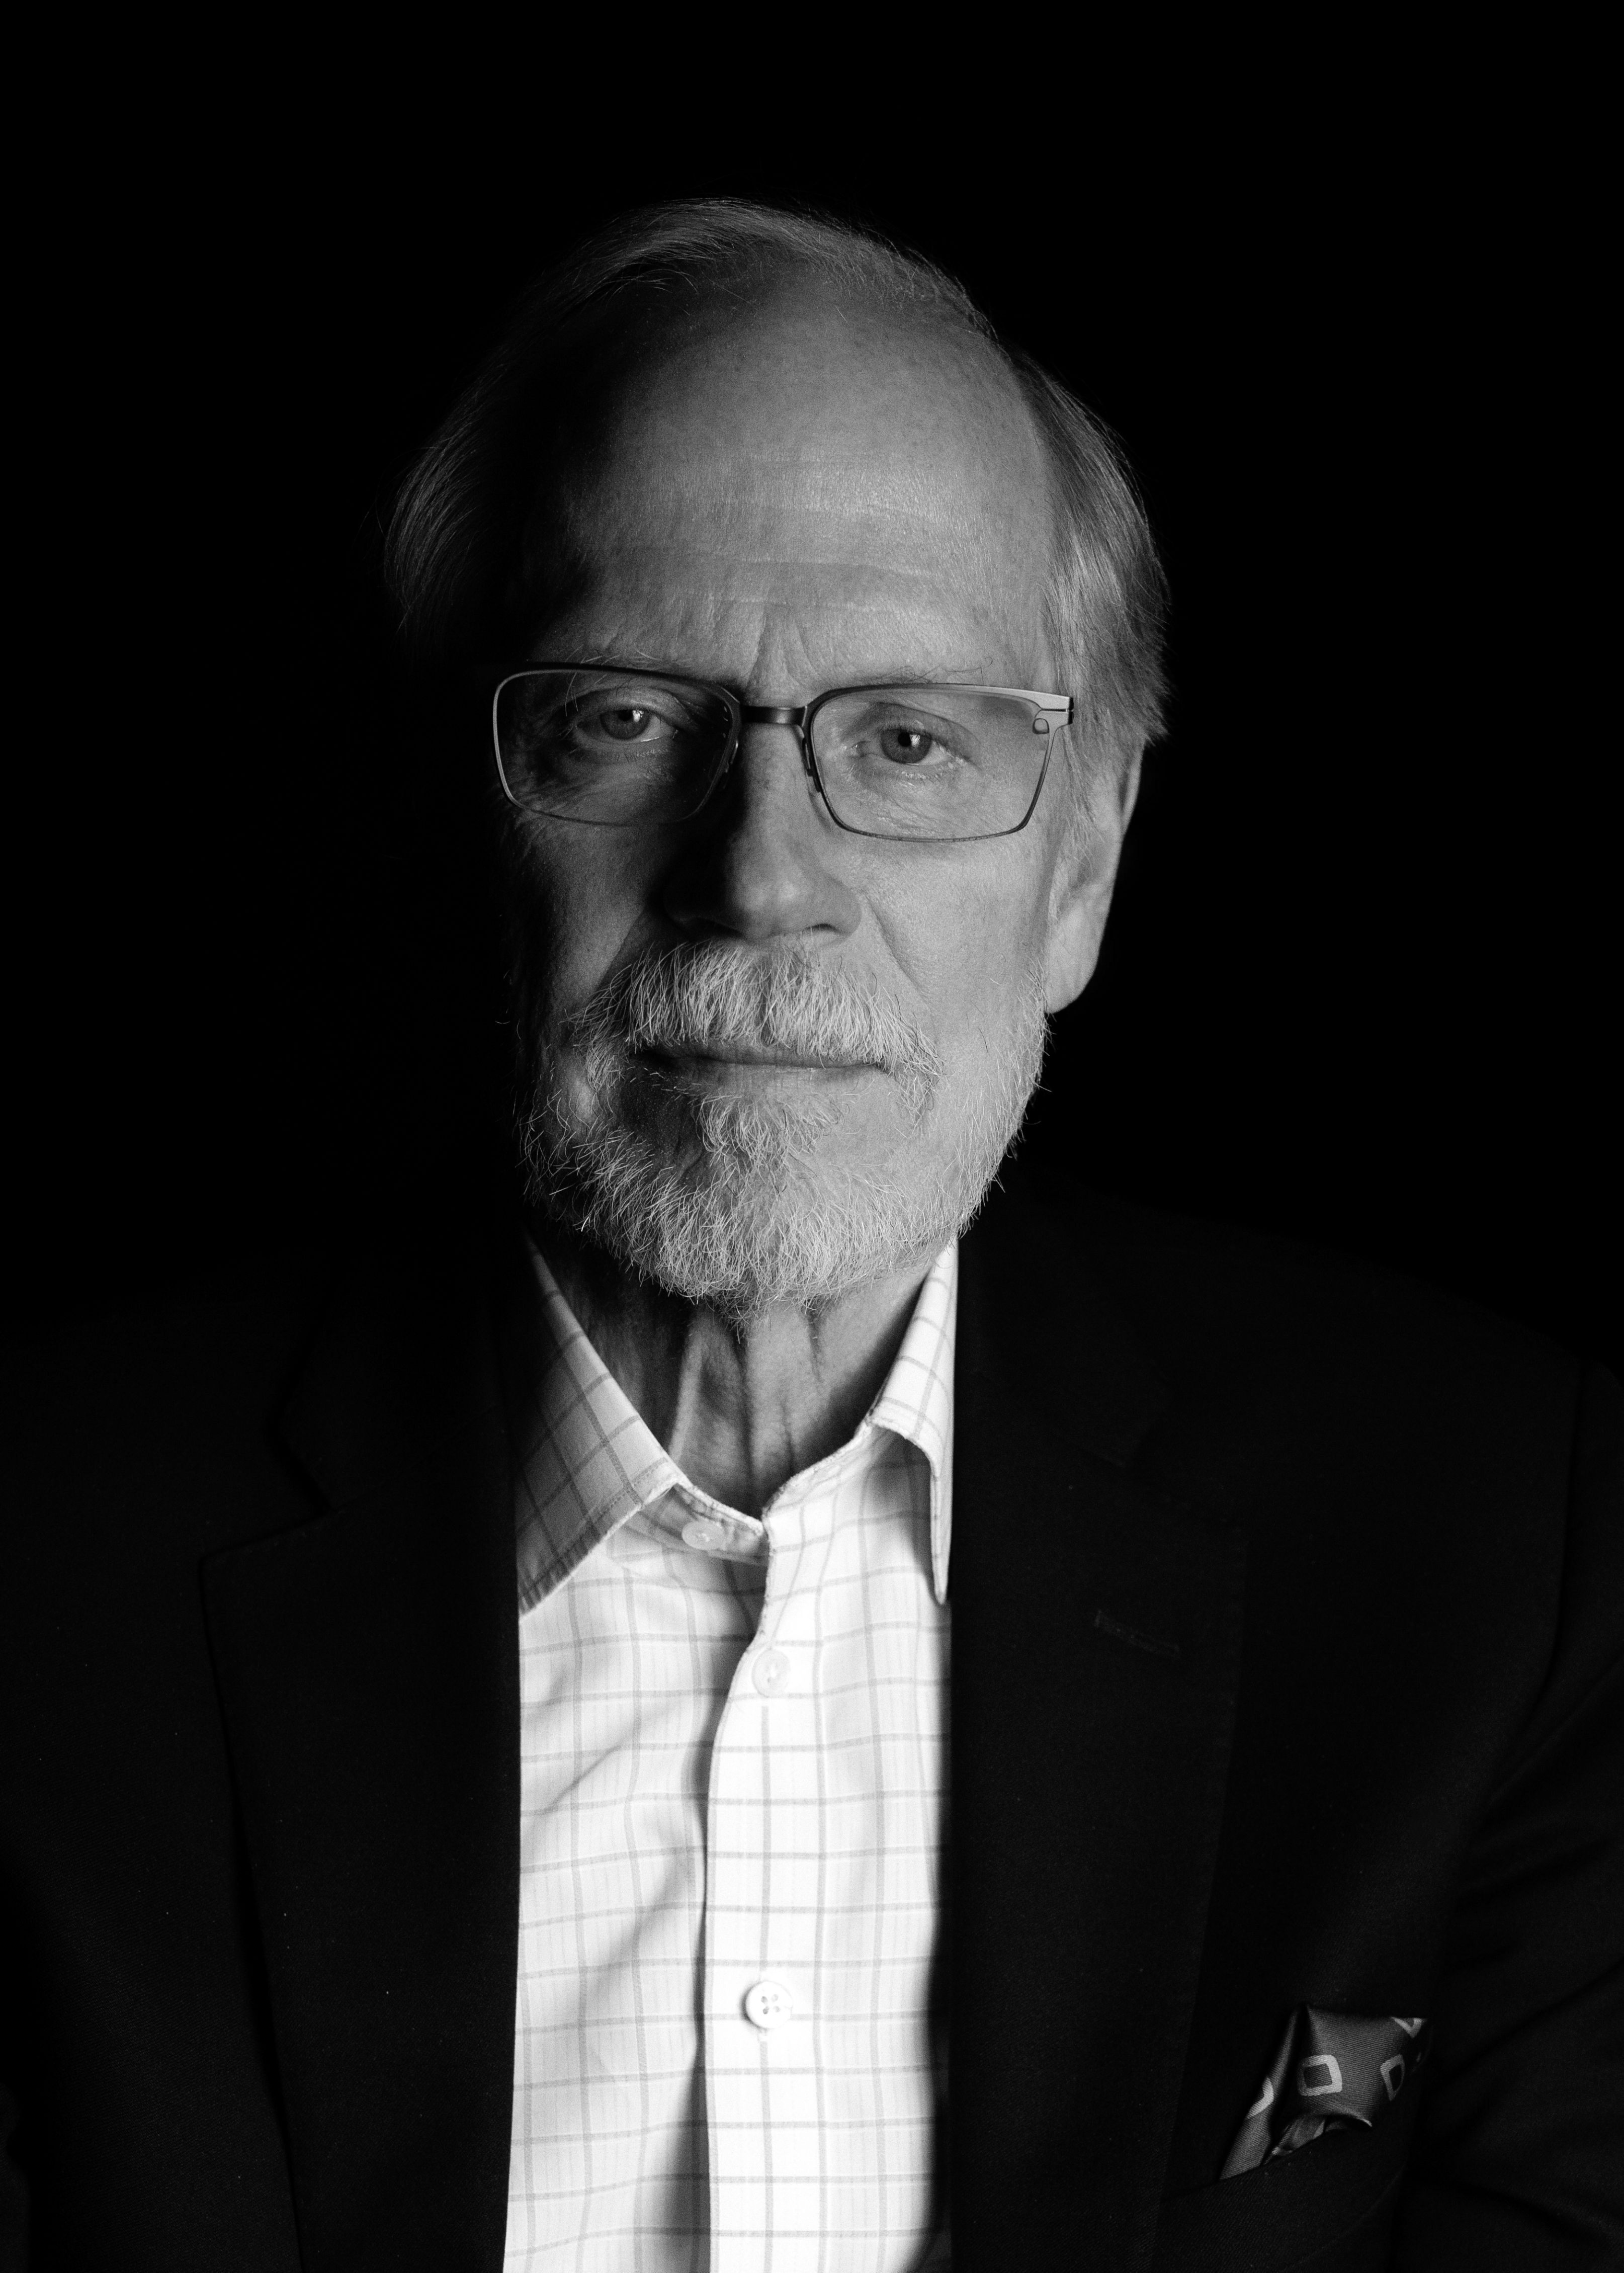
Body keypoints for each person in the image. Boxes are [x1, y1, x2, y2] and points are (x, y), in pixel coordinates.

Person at [2, 199, 1618, 2273]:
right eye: (622, 720)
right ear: (453, 816)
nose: (759, 880)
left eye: (909, 740)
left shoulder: (1493, 1548)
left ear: (1082, 868)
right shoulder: (28, 1571)